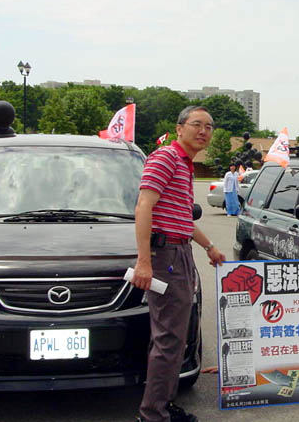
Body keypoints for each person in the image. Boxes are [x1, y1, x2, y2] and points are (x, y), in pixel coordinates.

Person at [132, 105, 226, 422]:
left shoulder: (185, 165)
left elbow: (183, 219)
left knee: (175, 336)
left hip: (179, 252)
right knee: (169, 338)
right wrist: (144, 261)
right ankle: (152, 414)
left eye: (209, 126)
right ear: (179, 128)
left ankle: (164, 404)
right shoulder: (166, 158)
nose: (203, 131)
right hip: (166, 256)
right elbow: (144, 206)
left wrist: (210, 247)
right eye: (197, 124)